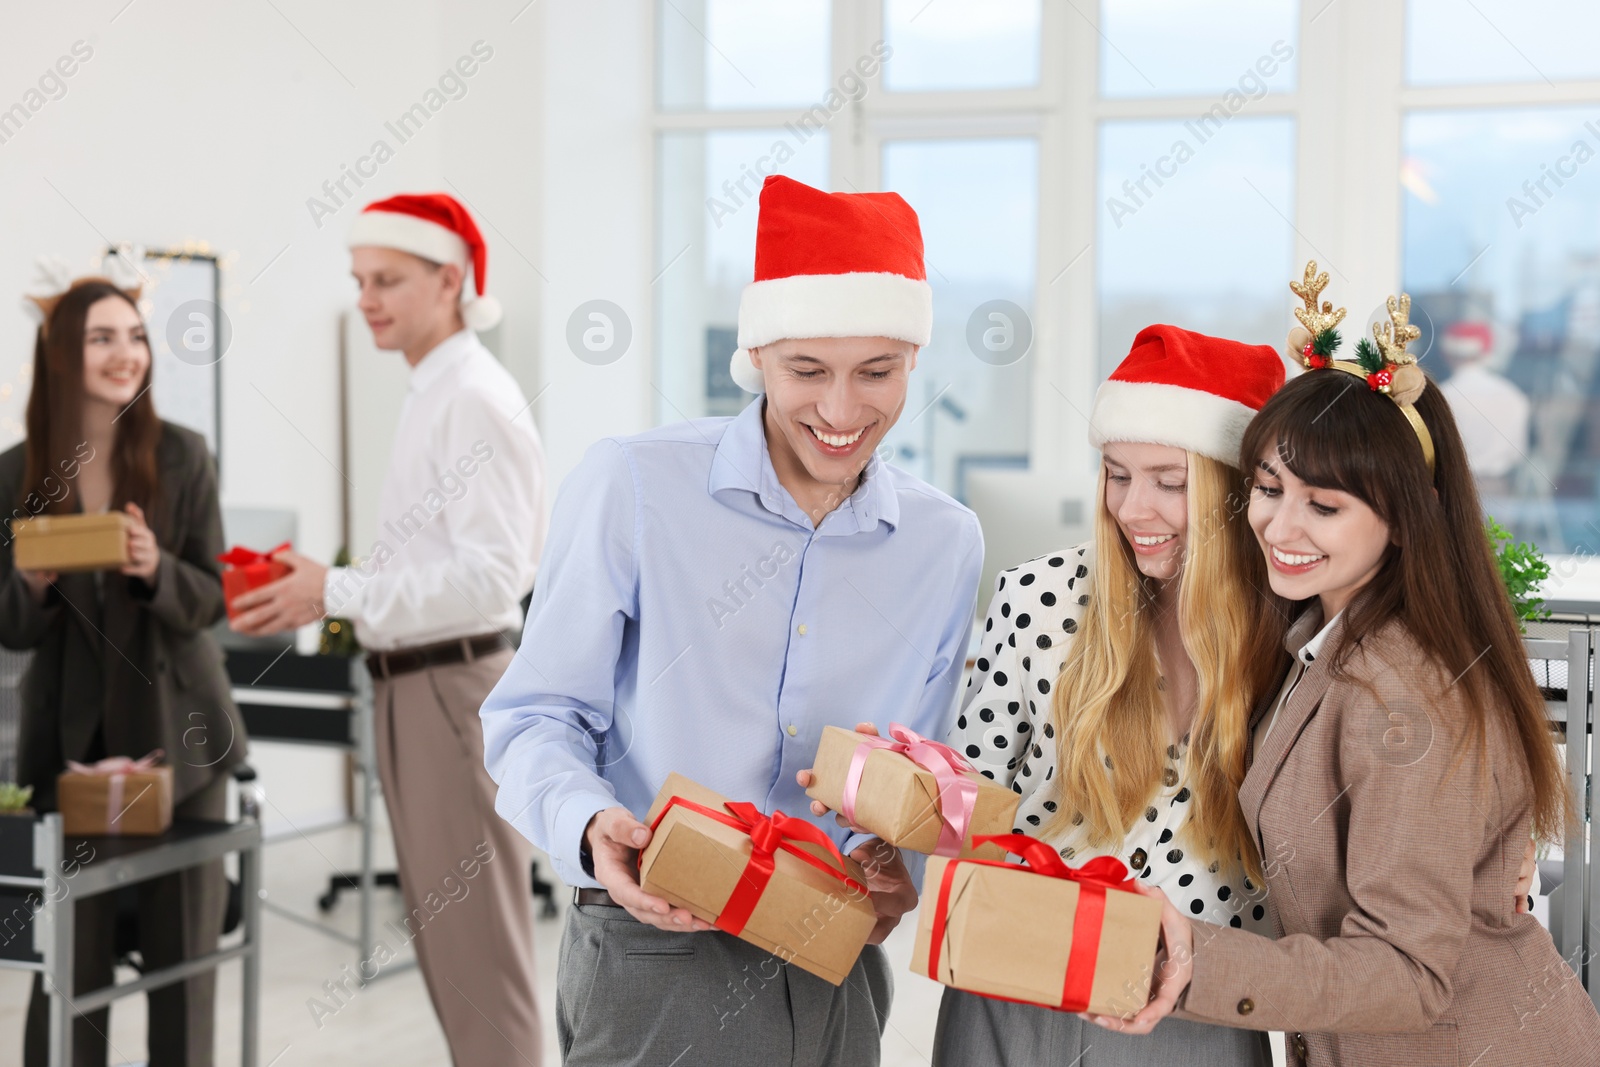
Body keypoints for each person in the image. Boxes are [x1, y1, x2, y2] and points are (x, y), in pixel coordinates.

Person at [480, 174, 983, 1067]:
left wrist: (898, 860)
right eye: (806, 372)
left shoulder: (943, 542)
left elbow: (923, 767)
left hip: (836, 957)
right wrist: (594, 829)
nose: (840, 411)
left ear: (914, 358)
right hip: (657, 944)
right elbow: (532, 718)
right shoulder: (633, 484)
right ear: (757, 358)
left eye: (877, 372)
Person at [1100, 265, 1600, 1064]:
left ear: (1403, 521)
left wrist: (1195, 955)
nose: (1279, 524)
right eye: (1267, 488)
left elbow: (1405, 970)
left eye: (1324, 505)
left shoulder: (1403, 693)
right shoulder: (1321, 636)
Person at [858, 325, 1290, 1065]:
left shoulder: (1292, 634)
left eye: (1170, 480)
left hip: (1190, 1012)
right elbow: (973, 799)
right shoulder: (1038, 598)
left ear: (1236, 486)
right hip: (1016, 991)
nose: (1133, 508)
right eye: (1117, 474)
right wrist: (889, 799)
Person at [229, 194, 547, 1064]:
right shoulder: (434, 390)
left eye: (388, 280)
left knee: (482, 958)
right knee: (456, 958)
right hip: (416, 687)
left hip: (452, 688)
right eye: (360, 280)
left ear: (451, 280)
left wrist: (331, 590)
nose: (367, 297)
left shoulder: (473, 397)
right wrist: (334, 590)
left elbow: (491, 577)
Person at [4, 258, 246, 1066]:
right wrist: (31, 585)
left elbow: (214, 596)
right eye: (102, 337)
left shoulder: (183, 455)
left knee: (186, 968)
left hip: (184, 747)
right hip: (76, 749)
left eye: (135, 336)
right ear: (61, 354)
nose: (125, 352)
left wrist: (154, 568)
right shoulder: (17, 470)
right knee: (71, 967)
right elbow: (10, 629)